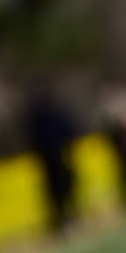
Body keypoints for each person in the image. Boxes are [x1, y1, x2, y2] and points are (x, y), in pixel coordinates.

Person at [24, 79, 79, 233]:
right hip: (51, 158)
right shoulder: (37, 116)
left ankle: (68, 216)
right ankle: (61, 219)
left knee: (64, 187)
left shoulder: (45, 113)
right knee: (55, 190)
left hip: (59, 156)